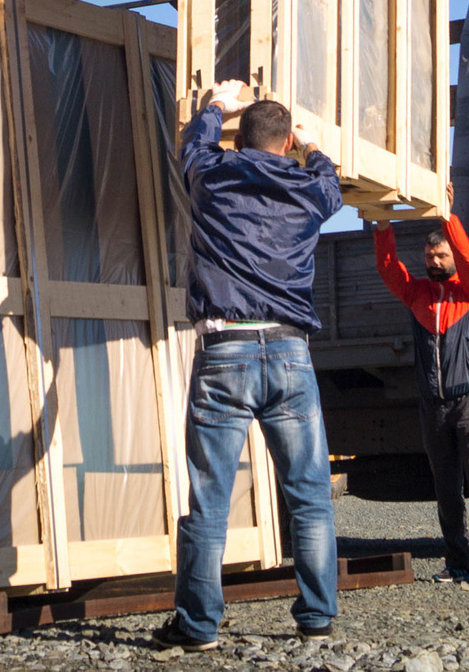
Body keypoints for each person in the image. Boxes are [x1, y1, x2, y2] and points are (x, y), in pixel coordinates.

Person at [155, 83, 346, 651]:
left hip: (226, 350)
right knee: (309, 495)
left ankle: (197, 626)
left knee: (210, 498)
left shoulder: (214, 175)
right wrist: (313, 146)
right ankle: (317, 618)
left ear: (238, 141)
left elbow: (193, 146)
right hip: (289, 351)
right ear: (286, 143)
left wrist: (217, 104)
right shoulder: (309, 189)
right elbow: (331, 185)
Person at [371, 190, 469, 584]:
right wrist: (382, 224)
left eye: (441, 256)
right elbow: (388, 268)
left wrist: (448, 217)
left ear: (452, 258)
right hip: (433, 404)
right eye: (430, 257)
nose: (435, 262)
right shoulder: (417, 294)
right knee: (446, 488)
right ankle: (458, 561)